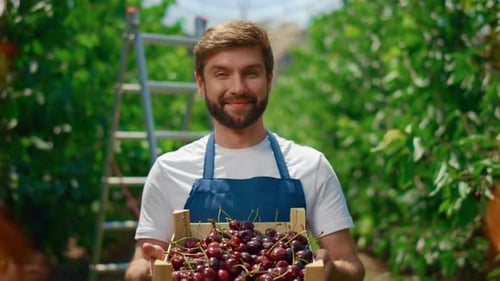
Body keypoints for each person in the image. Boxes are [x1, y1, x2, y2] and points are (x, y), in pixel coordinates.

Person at [125, 19, 365, 281]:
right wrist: (148, 270)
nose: (237, 88)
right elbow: (138, 264)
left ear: (269, 80)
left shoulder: (310, 165)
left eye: (251, 73)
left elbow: (351, 265)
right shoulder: (169, 170)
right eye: (221, 74)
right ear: (201, 83)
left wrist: (332, 270)